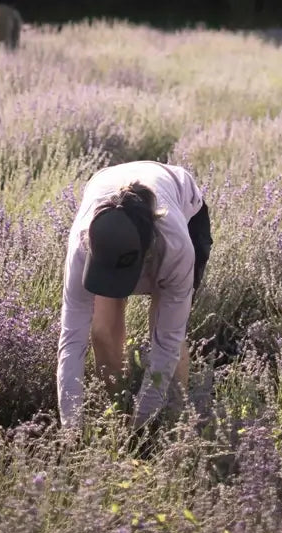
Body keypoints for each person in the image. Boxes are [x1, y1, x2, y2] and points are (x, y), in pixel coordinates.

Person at [57, 161, 213, 431]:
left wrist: (141, 430)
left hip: (180, 207)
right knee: (103, 332)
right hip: (110, 198)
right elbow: (71, 342)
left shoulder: (176, 247)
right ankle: (118, 409)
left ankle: (171, 426)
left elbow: (167, 344)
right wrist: (71, 429)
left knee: (166, 336)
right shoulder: (83, 247)